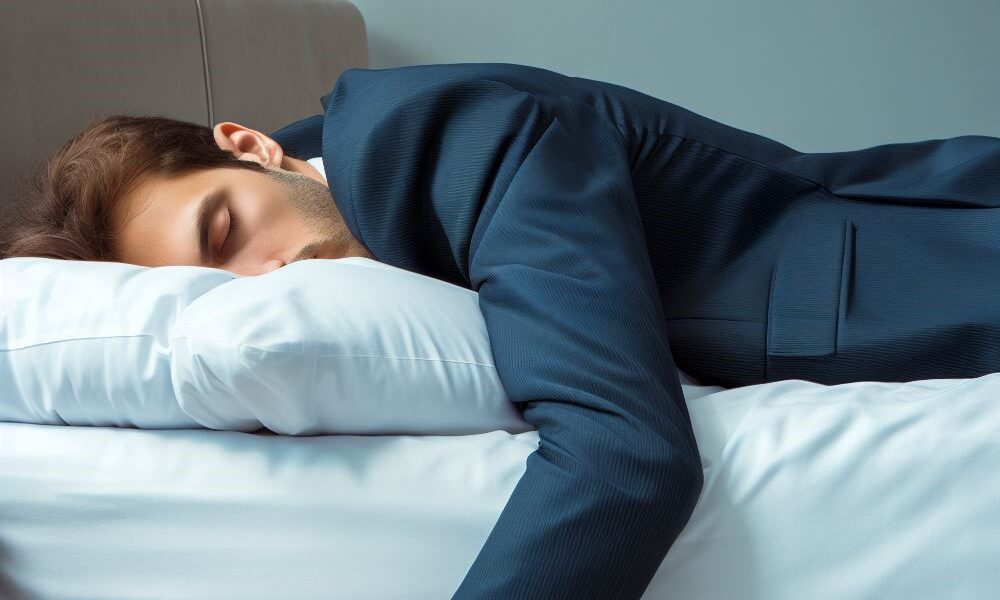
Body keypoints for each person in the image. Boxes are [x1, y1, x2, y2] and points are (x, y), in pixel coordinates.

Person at [4, 61, 1000, 599]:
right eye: (214, 286)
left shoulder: (446, 138)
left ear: (251, 147)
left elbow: (624, 458)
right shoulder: (342, 214)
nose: (260, 281)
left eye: (225, 228)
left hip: (944, 261)